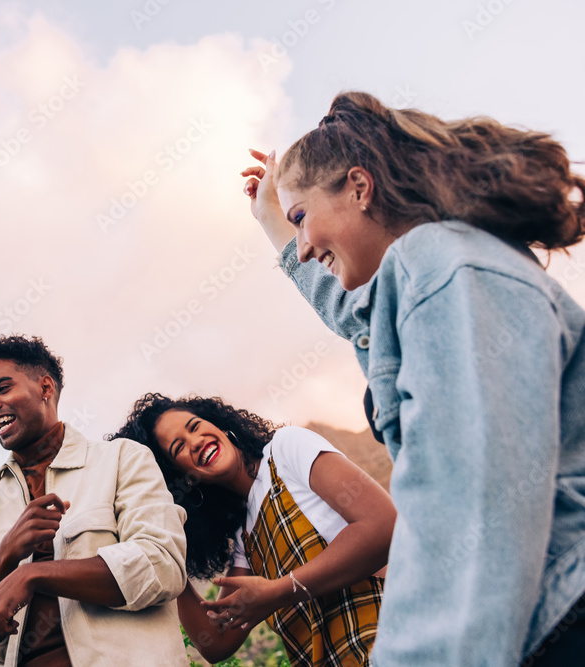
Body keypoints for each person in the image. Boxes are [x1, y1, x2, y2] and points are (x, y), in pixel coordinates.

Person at [243, 90, 585, 665]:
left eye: (303, 219)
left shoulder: (442, 267)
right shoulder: (433, 268)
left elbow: (473, 504)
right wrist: (272, 223)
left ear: (359, 187)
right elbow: (358, 316)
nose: (301, 250)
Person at [0, 335, 190, 666]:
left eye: (2, 388)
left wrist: (32, 574)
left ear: (46, 388)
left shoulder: (122, 459)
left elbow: (162, 566)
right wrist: (2, 560)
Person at [110, 393, 394, 666]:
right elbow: (216, 640)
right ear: (181, 478)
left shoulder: (285, 450)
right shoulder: (245, 537)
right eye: (179, 448)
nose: (195, 441)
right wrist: (164, 547)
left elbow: (383, 525)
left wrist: (281, 590)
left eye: (195, 426)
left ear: (218, 424)